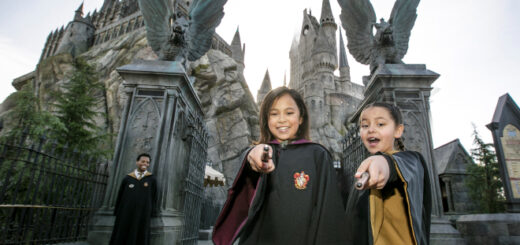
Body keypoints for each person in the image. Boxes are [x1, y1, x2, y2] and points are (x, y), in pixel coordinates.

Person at [212, 87, 348, 245]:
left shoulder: (317, 155)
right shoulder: (263, 154)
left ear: (301, 117)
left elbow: (328, 212)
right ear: (266, 119)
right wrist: (252, 154)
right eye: (274, 114)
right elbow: (247, 182)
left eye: (289, 113)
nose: (282, 119)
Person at [346, 102, 432, 245]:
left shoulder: (412, 160)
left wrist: (383, 164)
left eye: (380, 124)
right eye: (365, 125)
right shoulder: (362, 172)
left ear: (398, 130)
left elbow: (393, 165)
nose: (371, 129)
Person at [109, 153, 158, 245]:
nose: (145, 164)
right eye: (142, 161)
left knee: (141, 233)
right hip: (126, 212)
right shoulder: (127, 178)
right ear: (137, 162)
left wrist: (153, 212)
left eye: (147, 162)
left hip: (143, 213)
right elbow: (120, 195)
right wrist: (117, 211)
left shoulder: (152, 179)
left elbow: (154, 197)